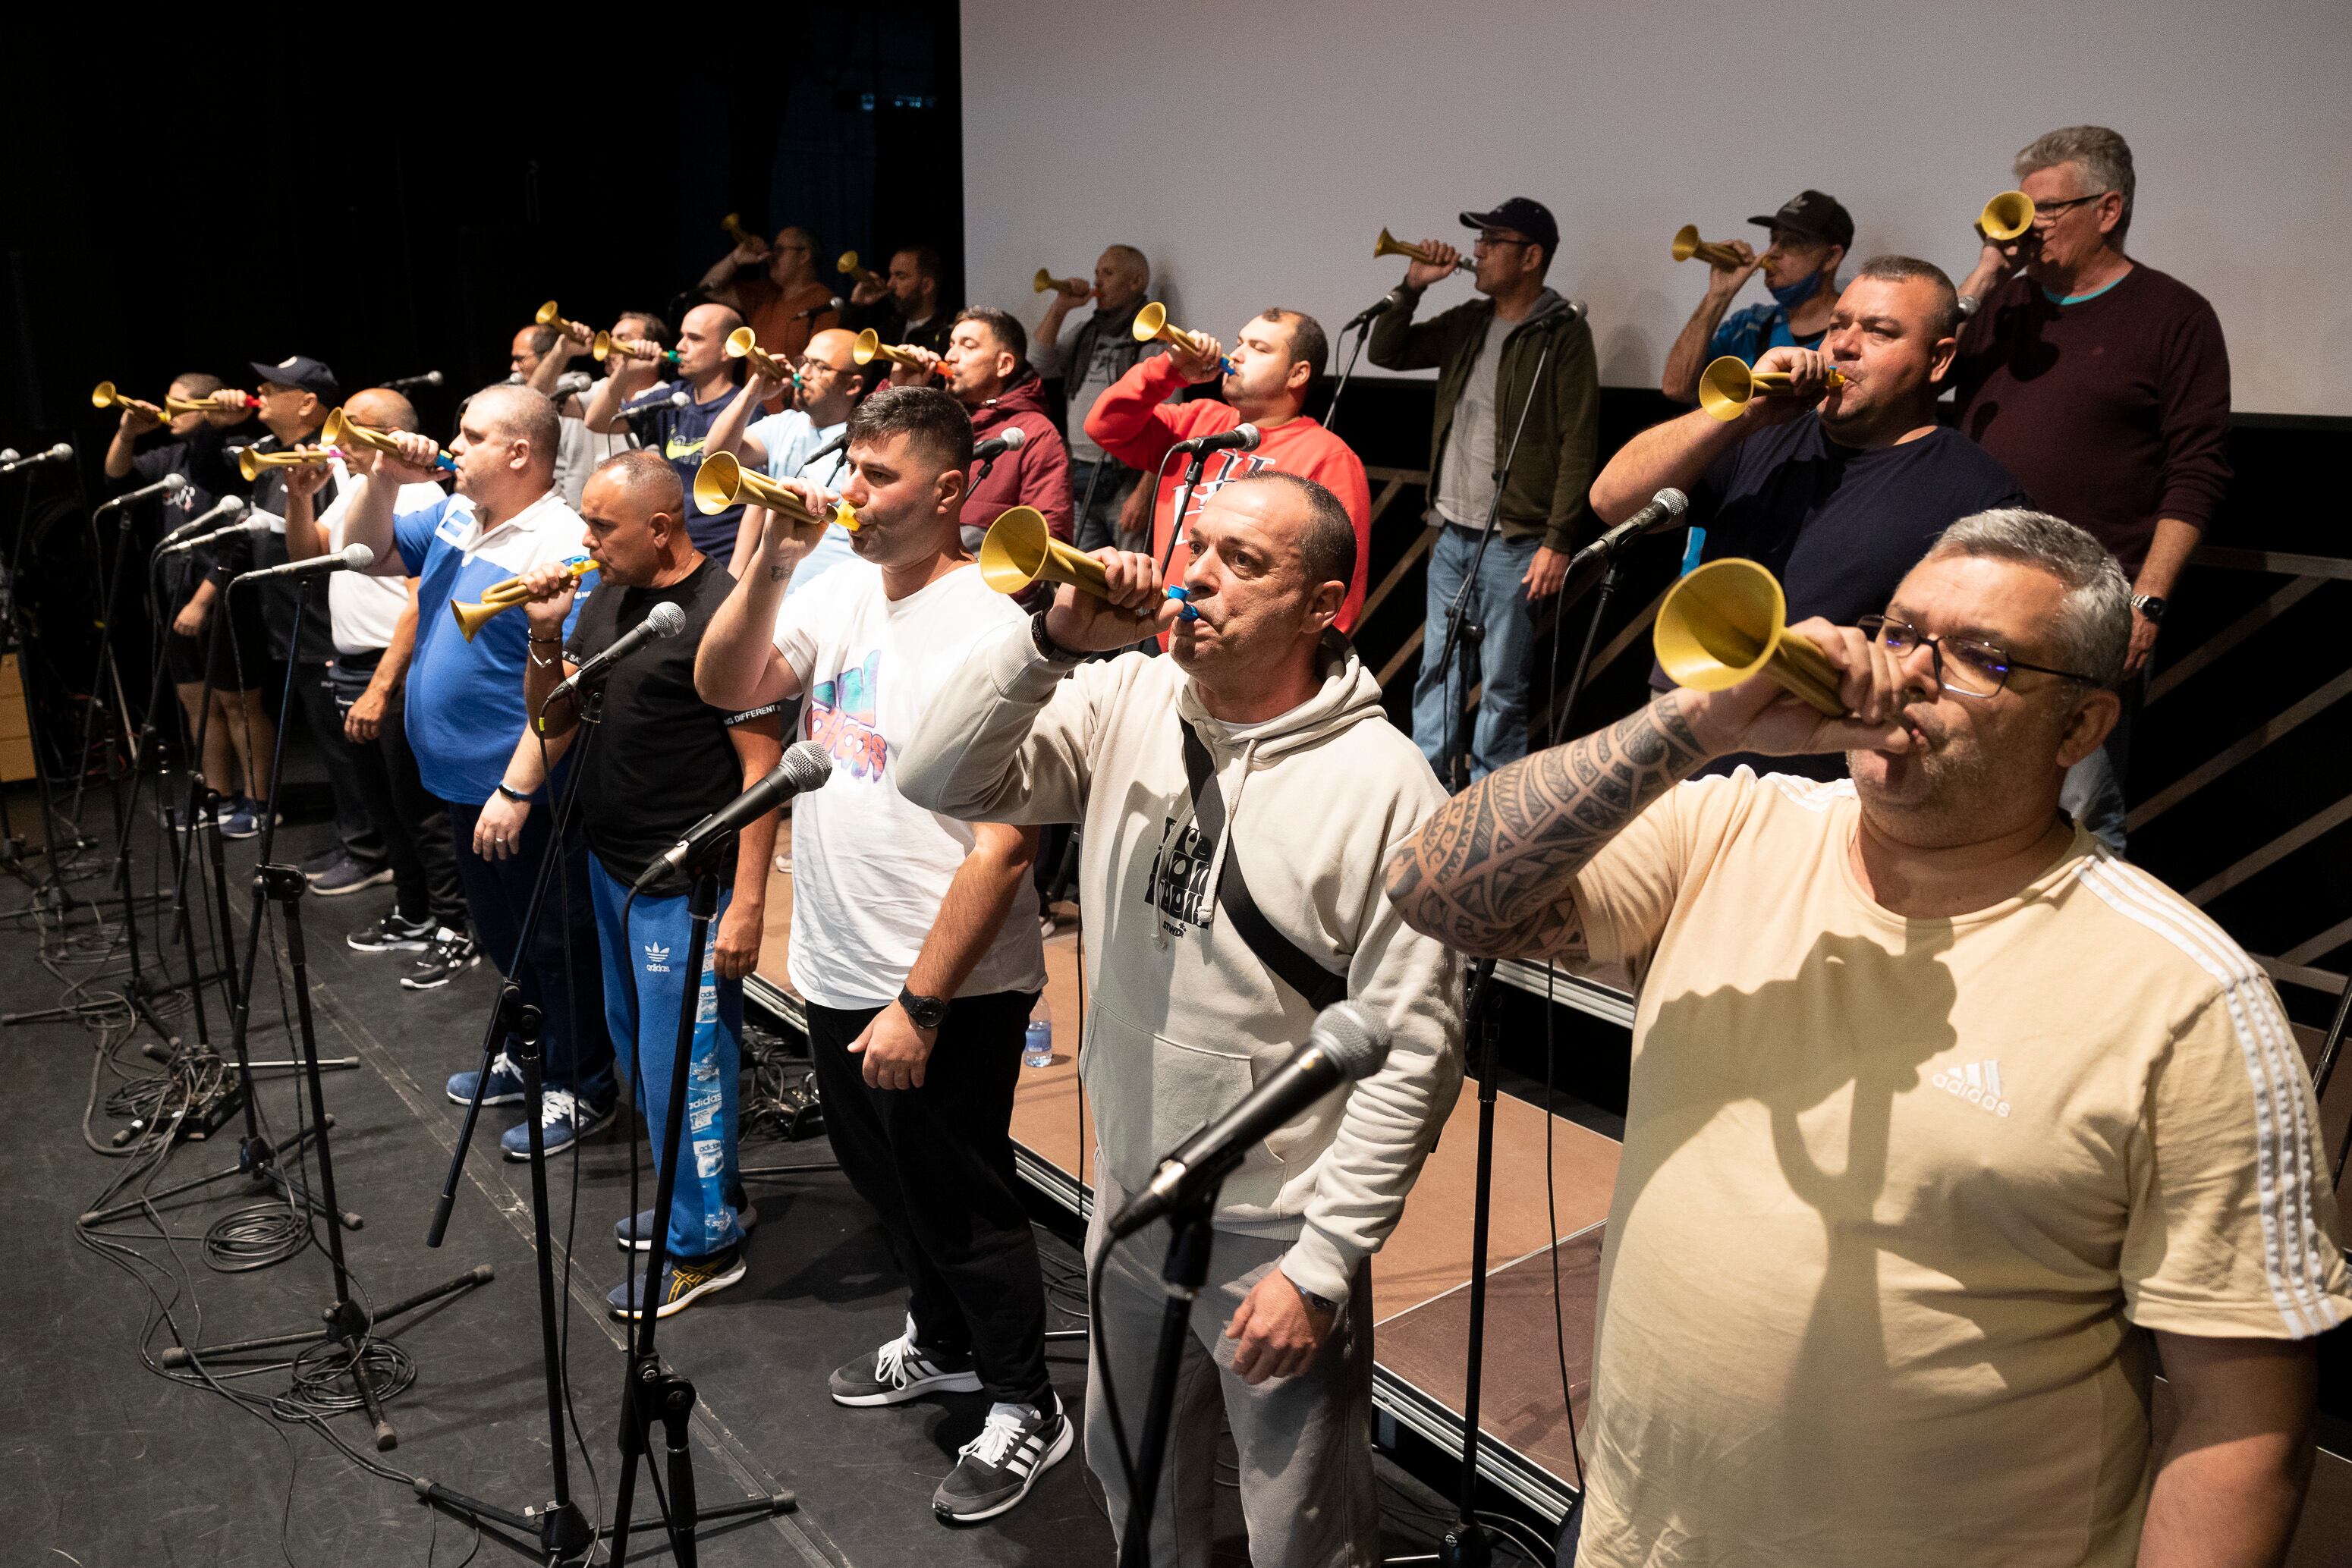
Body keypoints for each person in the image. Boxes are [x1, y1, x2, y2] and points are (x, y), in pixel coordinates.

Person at [1385, 507, 2347, 1568]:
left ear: (2079, 729)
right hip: (1637, 1533)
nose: (1913, 672)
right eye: (1899, 630)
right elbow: (1436, 889)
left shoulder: (2188, 997)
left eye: (1981, 656)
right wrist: (1695, 728)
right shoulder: (1731, 824)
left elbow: (2240, 1419)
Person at [899, 471, 1466, 1567]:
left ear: (1324, 605)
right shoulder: (1127, 697)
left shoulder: (1390, 786)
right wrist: (1050, 642)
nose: (1197, 574)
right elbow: (936, 772)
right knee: (1136, 1477)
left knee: (1297, 1521)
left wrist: (1324, 1263)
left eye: (1245, 560)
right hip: (1131, 1193)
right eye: (1196, 544)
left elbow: (1415, 1055)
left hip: (1279, 1227)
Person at [694, 385, 1058, 1525]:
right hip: (841, 961)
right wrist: (766, 562)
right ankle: (943, 1342)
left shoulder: (1002, 622)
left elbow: (1007, 840)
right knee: (885, 1183)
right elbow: (727, 686)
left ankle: (1024, 1402)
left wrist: (922, 1000)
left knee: (964, 1199)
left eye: (880, 477)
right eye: (851, 468)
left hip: (942, 981)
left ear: (950, 491)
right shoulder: (839, 584)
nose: (853, 491)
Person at [508, 451, 781, 1318]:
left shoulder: (718, 618)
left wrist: (746, 902)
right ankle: (704, 1197)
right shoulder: (611, 597)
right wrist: (546, 637)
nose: (585, 541)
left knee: (682, 1072)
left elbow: (762, 770)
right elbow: (553, 717)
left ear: (661, 528)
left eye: (601, 526)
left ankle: (706, 1246)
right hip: (613, 866)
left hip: (686, 888)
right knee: (642, 1060)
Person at [1590, 256, 2024, 782]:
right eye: (1839, 325)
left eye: (1880, 333)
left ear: (1938, 360)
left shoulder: (1980, 493)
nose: (1842, 344)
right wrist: (1741, 412)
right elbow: (1612, 500)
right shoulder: (1761, 431)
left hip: (1822, 772)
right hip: (1689, 724)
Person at [337, 385, 616, 1156]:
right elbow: (368, 551)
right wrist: (385, 477)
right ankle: (527, 1055)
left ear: (519, 452)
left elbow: (566, 686)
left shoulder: (562, 542)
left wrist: (517, 787)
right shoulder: (460, 513)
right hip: (461, 782)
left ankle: (580, 1086)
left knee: (557, 939)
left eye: (470, 435)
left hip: (523, 788)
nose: (452, 446)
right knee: (501, 934)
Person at [1954, 124, 2231, 852]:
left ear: (2107, 210)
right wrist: (1985, 275)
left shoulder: (2175, 316)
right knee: (1953, 785)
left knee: (2076, 813)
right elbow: (1920, 367)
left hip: (2085, 609)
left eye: (2047, 209)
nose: (2026, 224)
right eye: (2021, 206)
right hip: (1971, 590)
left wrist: (2147, 599)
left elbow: (2197, 470)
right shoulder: (2001, 310)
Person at [1366, 196, 1601, 783]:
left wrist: (1558, 539)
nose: (1478, 252)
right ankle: (1428, 792)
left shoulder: (1562, 331)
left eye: (1494, 241)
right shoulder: (1468, 322)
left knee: (1501, 682)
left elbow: (1579, 441)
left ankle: (1492, 808)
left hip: (1517, 540)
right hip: (1453, 530)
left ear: (1531, 256)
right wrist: (1414, 283)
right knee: (1437, 670)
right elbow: (1386, 351)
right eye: (1480, 240)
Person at [277, 388, 473, 979]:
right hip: (358, 667)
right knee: (384, 809)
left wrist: (382, 685)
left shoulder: (417, 489)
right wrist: (299, 499)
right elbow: (308, 554)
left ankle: (454, 925)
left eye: (353, 427)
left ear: (388, 433)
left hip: (396, 667)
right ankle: (414, 911)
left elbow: (418, 602)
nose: (337, 438)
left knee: (423, 812)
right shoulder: (357, 489)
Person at [1085, 307, 1373, 635]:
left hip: (1249, 661)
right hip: (1164, 635)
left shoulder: (1328, 455)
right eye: (1239, 343)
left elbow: (1340, 594)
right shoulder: (1196, 421)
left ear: (1298, 374)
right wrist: (1170, 369)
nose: (1235, 355)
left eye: (1259, 348)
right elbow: (1105, 427)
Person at [101, 372, 274, 826]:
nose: (168, 414)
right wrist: (126, 432)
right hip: (174, 595)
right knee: (198, 703)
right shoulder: (171, 456)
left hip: (223, 595)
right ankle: (217, 796)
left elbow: (239, 537)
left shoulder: (230, 451)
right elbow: (118, 475)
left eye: (179, 406)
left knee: (239, 702)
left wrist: (203, 600)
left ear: (205, 408)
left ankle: (260, 804)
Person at [240, 355, 390, 878]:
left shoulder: (336, 465)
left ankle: (369, 847)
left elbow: (338, 555)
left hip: (331, 632)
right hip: (299, 628)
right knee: (336, 750)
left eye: (273, 387)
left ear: (308, 402)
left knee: (351, 753)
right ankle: (357, 839)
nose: (260, 392)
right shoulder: (280, 458)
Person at [887, 306, 1071, 548]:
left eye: (968, 346)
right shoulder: (929, 420)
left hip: (984, 583)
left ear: (1003, 365)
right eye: (952, 343)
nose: (950, 355)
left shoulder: (1037, 434)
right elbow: (871, 466)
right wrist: (898, 394)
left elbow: (1046, 542)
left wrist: (990, 588)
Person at [706, 325, 866, 592]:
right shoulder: (785, 424)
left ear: (852, 385)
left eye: (820, 367)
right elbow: (715, 456)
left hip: (837, 593)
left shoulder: (866, 439)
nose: (803, 373)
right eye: (804, 362)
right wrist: (753, 392)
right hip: (778, 591)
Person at [584, 303, 746, 561]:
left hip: (718, 556)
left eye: (694, 339)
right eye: (682, 336)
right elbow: (598, 421)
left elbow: (753, 507)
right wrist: (626, 368)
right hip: (668, 548)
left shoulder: (745, 410)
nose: (680, 346)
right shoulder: (673, 396)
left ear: (727, 351)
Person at [1660, 190, 1853, 404]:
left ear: (1831, 257)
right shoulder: (1747, 325)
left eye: (1792, 243)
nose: (1771, 253)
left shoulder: (1852, 335)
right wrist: (1718, 296)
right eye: (1773, 240)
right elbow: (1676, 388)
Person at [1030, 245, 1152, 550]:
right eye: (1097, 272)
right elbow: (1038, 362)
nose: (1096, 282)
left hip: (1125, 478)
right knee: (1084, 576)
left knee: (1128, 581)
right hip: (1079, 470)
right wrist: (1062, 306)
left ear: (1135, 282)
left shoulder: (1152, 338)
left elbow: (1169, 425)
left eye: (1108, 273)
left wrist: (1143, 493)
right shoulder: (1086, 331)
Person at [523, 310, 658, 510]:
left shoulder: (667, 396)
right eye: (611, 337)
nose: (610, 345)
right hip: (596, 510)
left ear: (648, 347)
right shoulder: (601, 390)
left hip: (640, 511)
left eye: (622, 339)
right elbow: (533, 404)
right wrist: (562, 351)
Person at [698, 222, 841, 372]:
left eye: (779, 250)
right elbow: (708, 289)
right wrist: (735, 258)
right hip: (755, 395)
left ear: (804, 256)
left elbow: (823, 362)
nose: (771, 255)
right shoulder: (764, 294)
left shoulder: (823, 302)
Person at [845, 244, 954, 358]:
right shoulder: (889, 328)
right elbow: (846, 354)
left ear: (926, 286)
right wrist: (855, 305)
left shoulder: (947, 334)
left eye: (900, 276)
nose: (890, 284)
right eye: (891, 275)